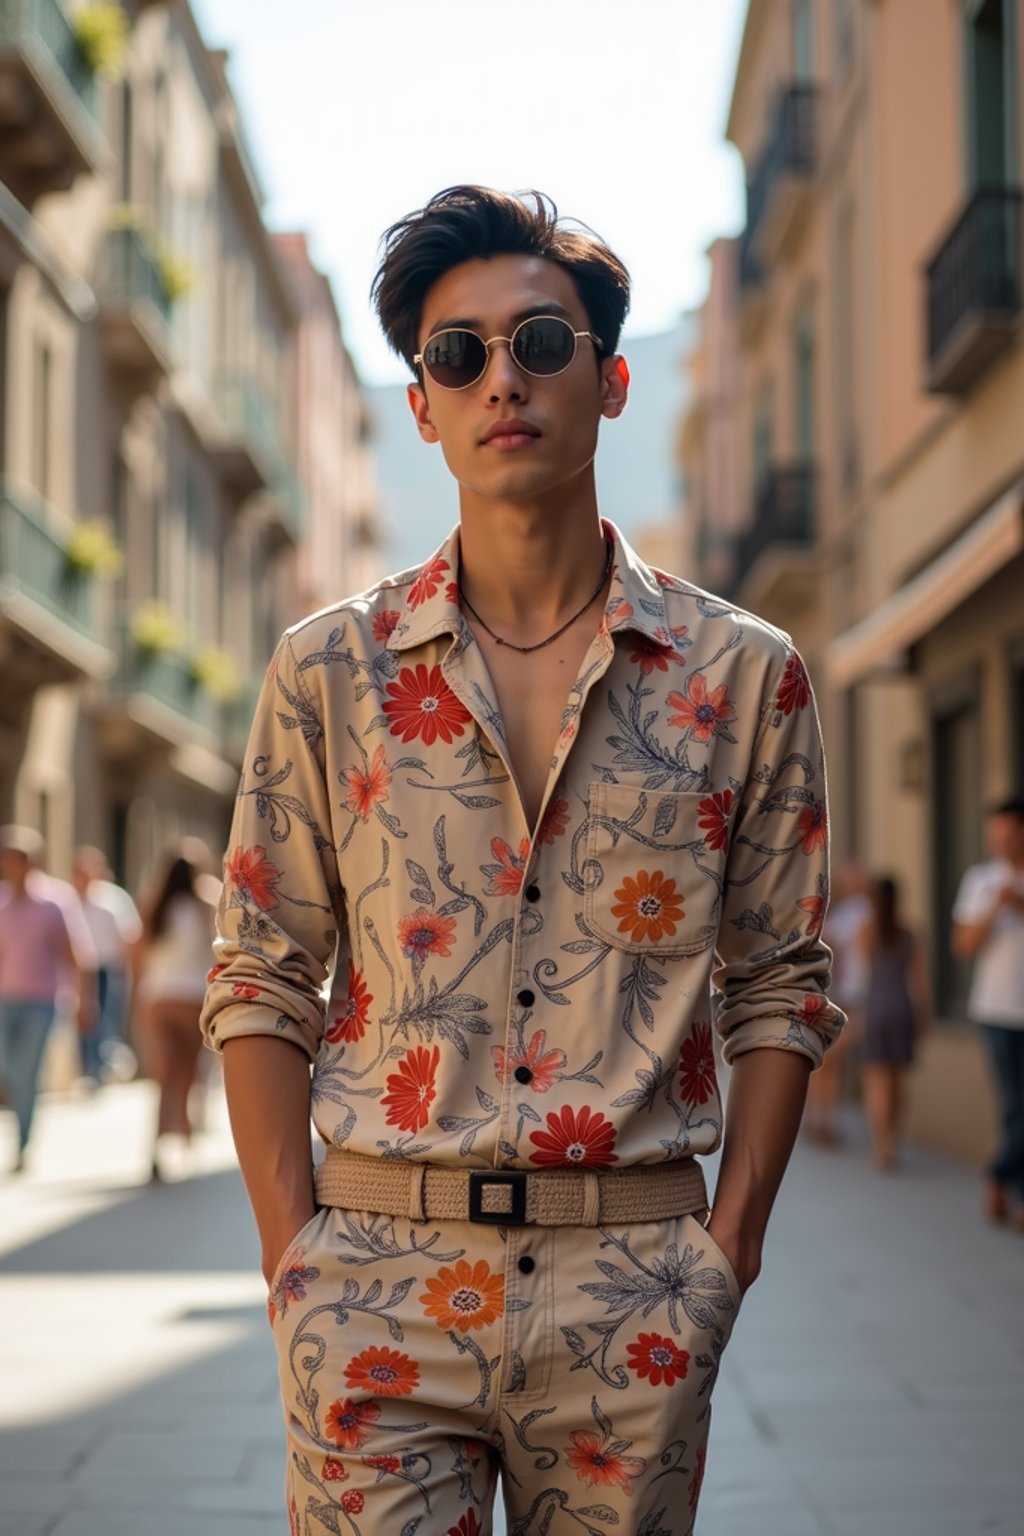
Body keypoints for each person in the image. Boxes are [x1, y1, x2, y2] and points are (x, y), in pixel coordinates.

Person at [201, 186, 843, 1535]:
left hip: (636, 1290)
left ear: (609, 382)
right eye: (459, 354)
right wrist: (290, 1258)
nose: (503, 379)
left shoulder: (745, 675)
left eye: (541, 344)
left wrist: (729, 1253)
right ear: (423, 403)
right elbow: (262, 967)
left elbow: (780, 979)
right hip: (374, 1277)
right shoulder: (330, 669)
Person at [0, 826, 92, 1172]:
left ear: (31, 862)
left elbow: (75, 955)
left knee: (27, 1070)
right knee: (9, 1069)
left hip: (42, 1000)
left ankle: (23, 1141)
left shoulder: (55, 902)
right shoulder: (2, 901)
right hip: (6, 999)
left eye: (17, 859)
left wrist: (86, 1001)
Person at [951, 797, 1024, 1228]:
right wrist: (996, 907)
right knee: (1014, 1105)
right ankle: (1011, 1189)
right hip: (996, 1009)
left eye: (1011, 830)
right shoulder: (980, 881)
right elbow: (962, 947)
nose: (1002, 839)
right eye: (996, 831)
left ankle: (998, 1176)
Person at [136, 842, 217, 1182]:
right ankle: (185, 1135)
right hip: (193, 996)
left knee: (163, 1074)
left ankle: (156, 1144)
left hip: (157, 996)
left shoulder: (154, 905)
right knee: (187, 1072)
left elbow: (137, 952)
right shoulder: (207, 902)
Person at [858, 874, 929, 1171]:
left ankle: (880, 1145)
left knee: (877, 1080)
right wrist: (925, 1016)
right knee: (897, 1081)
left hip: (875, 1007)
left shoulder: (866, 932)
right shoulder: (909, 933)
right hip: (902, 1007)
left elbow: (863, 975)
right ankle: (893, 1141)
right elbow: (919, 981)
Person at [804, 861, 870, 1146]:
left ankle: (823, 1120)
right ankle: (821, 1120)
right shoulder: (842, 914)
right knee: (827, 1062)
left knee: (831, 1059)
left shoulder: (867, 913)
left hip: (859, 997)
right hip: (840, 994)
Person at [71, 846, 142, 1085]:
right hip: (78, 969)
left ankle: (99, 1069)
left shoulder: (114, 899)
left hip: (108, 969)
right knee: (81, 1018)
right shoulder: (69, 901)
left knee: (105, 1018)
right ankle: (87, 1069)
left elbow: (130, 937)